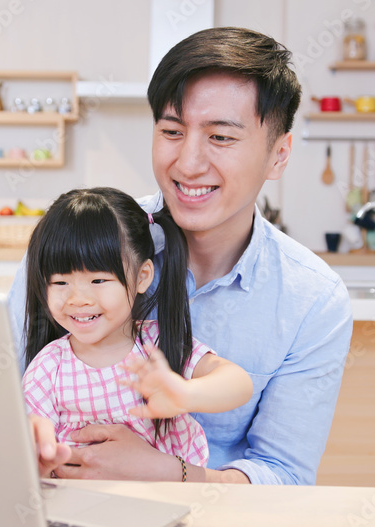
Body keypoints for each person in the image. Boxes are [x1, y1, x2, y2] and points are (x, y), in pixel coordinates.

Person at [10, 27, 353, 485]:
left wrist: (169, 473)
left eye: (221, 138)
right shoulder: (80, 242)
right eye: (171, 131)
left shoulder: (313, 299)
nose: (188, 163)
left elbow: (284, 475)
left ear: (279, 155)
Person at [21, 187, 253, 472]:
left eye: (98, 281)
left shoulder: (156, 346)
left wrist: (186, 394)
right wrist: (39, 451)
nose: (77, 299)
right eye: (60, 283)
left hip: (163, 504)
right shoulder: (48, 366)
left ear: (142, 277)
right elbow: (35, 434)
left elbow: (239, 383)